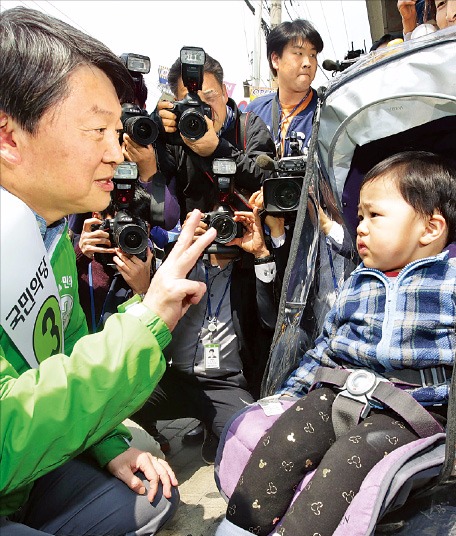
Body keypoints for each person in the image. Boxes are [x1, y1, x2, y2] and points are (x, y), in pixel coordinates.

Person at [0, 7, 217, 535]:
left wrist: (110, 445)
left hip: (23, 481)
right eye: (97, 129)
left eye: (119, 131)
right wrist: (149, 317)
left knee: (150, 493)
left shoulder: (49, 234)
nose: (116, 151)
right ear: (8, 137)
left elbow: (62, 352)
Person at [215, 151, 455, 536]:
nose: (360, 227)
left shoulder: (448, 282)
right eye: (359, 216)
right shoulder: (357, 282)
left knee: (348, 460)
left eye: (374, 216)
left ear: (430, 229)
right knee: (282, 441)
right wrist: (290, 395)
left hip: (411, 407)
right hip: (340, 390)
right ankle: (241, 525)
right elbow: (325, 347)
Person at [131, 206, 278, 464]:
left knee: (252, 440)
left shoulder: (247, 273)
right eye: (214, 225)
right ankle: (148, 436)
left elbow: (270, 319)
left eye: (228, 225)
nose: (220, 232)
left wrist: (260, 253)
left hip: (225, 383)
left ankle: (214, 426)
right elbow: (150, 311)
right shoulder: (182, 268)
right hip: (173, 379)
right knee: (122, 400)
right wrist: (187, 243)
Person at [155, 51, 276, 222]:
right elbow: (159, 195)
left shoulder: (249, 125)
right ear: (176, 103)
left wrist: (218, 149)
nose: (203, 109)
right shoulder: (175, 137)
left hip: (246, 241)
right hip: (196, 242)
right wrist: (155, 134)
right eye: (191, 102)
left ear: (225, 93)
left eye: (209, 97)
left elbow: (267, 180)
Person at [246, 19, 323, 158]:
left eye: (312, 55)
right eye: (298, 54)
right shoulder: (253, 113)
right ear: (275, 59)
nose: (308, 63)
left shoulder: (327, 113)